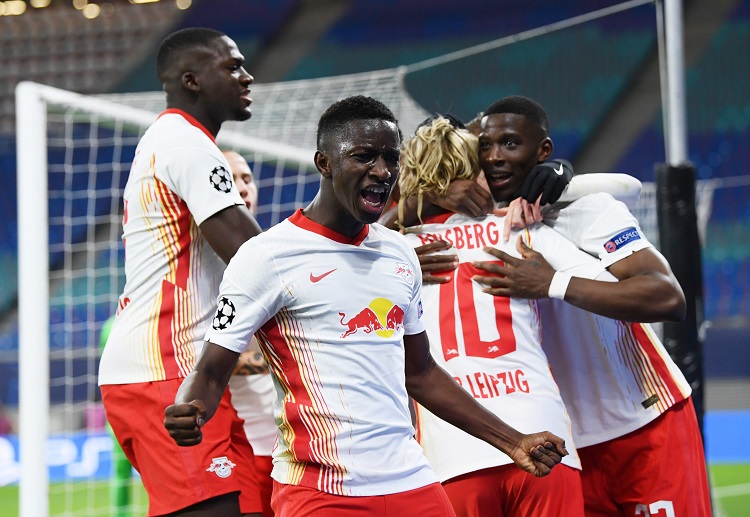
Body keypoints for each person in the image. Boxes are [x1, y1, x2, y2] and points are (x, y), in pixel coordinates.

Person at [163, 96, 568, 517]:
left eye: (391, 158)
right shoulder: (266, 257)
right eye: (364, 157)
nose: (382, 171)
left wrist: (513, 441)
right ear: (324, 162)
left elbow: (422, 373)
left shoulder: (400, 254)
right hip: (322, 490)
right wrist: (192, 407)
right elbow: (208, 373)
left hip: (412, 480)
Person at [470, 96, 712, 517]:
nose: (495, 158)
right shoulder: (469, 228)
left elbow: (667, 298)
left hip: (642, 423)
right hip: (558, 445)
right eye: (485, 147)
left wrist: (553, 282)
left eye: (510, 144)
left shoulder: (588, 209)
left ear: (543, 152)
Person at [397, 115, 636, 515]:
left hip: (452, 453)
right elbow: (617, 290)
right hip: (543, 440)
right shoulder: (522, 230)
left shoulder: (393, 252)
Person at [98, 28, 264, 517]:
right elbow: (249, 253)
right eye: (231, 67)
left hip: (189, 371)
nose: (246, 75)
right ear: (192, 80)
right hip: (163, 371)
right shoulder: (184, 142)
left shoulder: (178, 142)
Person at [224, 149, 277, 517]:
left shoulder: (273, 256)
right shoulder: (205, 269)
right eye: (231, 178)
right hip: (243, 450)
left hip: (293, 447)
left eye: (248, 178)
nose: (244, 187)